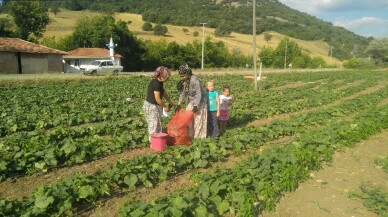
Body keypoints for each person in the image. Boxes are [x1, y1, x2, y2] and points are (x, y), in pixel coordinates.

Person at [143, 66, 175, 142]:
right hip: (151, 106)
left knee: (157, 123)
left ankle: (157, 141)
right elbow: (158, 99)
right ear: (161, 75)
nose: (168, 78)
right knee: (153, 125)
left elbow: (163, 92)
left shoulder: (159, 82)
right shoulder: (156, 83)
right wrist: (165, 106)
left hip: (154, 106)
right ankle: (153, 142)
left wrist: (170, 102)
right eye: (166, 76)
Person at [176, 64, 207, 139]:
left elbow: (198, 93)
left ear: (188, 74)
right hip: (192, 100)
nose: (181, 77)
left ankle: (198, 137)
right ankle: (190, 135)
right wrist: (179, 104)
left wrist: (196, 106)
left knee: (198, 118)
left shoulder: (194, 79)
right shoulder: (184, 81)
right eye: (181, 76)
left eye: (183, 76)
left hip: (200, 100)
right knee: (188, 116)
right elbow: (183, 93)